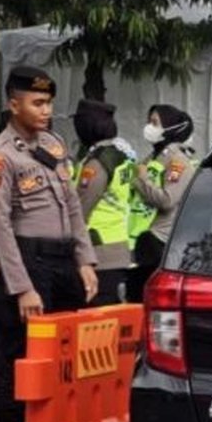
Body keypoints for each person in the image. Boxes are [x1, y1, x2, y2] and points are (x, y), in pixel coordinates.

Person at [0, 66, 97, 422]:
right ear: (14, 104)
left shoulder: (53, 144)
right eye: (37, 103)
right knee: (24, 365)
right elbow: (0, 227)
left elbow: (71, 206)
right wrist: (22, 287)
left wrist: (85, 259)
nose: (46, 110)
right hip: (30, 264)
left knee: (68, 362)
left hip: (64, 260)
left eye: (48, 102)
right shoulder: (0, 156)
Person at [71, 99, 136, 305]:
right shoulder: (121, 154)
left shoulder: (98, 162)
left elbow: (80, 209)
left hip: (98, 250)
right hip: (118, 244)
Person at [128, 104, 196, 300]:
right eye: (149, 122)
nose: (149, 127)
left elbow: (167, 200)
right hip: (141, 237)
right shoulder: (154, 156)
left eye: (155, 123)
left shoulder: (178, 162)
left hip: (159, 241)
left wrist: (142, 179)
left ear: (170, 127)